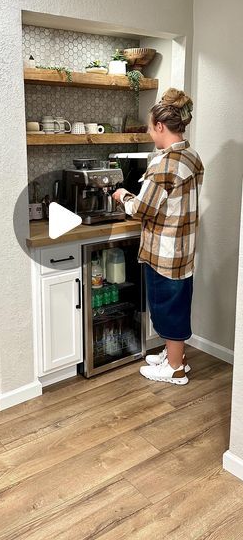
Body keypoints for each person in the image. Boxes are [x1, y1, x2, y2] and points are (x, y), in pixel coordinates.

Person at [113, 88, 204, 385]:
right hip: (183, 247)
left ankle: (175, 369)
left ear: (161, 126)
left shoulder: (164, 164)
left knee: (167, 306)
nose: (151, 133)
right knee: (176, 302)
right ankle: (175, 356)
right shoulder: (190, 155)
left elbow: (142, 209)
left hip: (164, 250)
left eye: (151, 127)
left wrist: (122, 195)